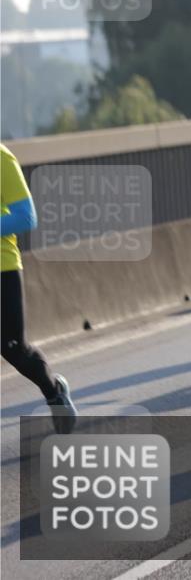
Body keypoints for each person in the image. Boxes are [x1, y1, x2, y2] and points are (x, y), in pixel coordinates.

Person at [1, 144, 78, 434]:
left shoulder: (2, 158)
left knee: (13, 348)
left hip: (2, 267)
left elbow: (25, 216)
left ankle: (54, 391)